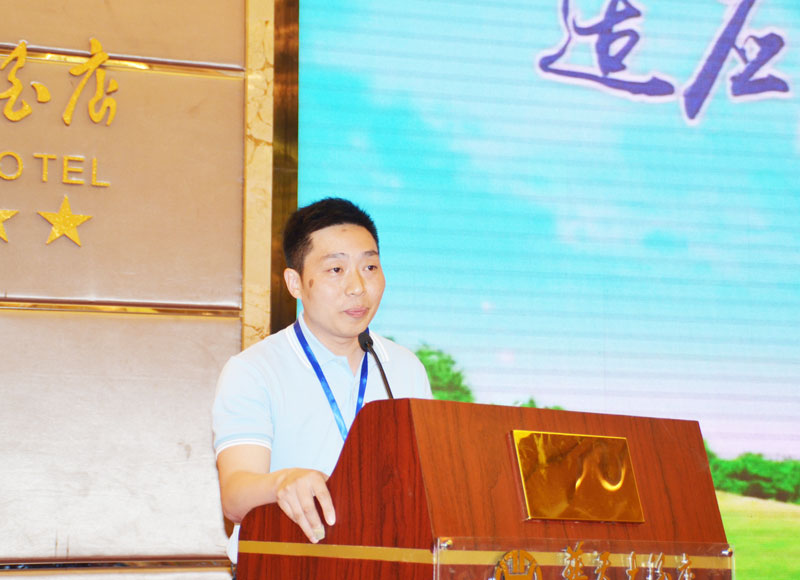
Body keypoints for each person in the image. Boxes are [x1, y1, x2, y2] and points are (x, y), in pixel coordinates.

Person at [212, 197, 432, 562]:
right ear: (295, 283)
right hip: (287, 565)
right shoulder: (254, 370)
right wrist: (282, 483)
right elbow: (235, 496)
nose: (357, 286)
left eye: (370, 267)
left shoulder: (405, 368)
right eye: (336, 269)